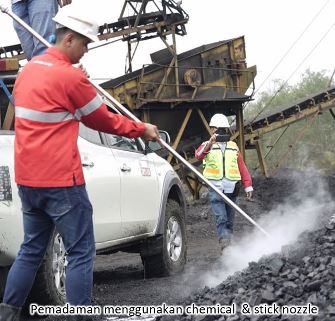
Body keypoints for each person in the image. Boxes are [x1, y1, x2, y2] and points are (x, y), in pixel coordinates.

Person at [0, 7, 160, 321]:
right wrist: (142, 129)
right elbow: (103, 120)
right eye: (85, 43)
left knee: (31, 250)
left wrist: (75, 87)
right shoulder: (71, 77)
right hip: (62, 183)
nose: (86, 50)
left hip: (29, 183)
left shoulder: (27, 72)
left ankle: (8, 314)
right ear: (69, 38)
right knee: (80, 252)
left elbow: (45, 104)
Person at [195, 113, 253, 251]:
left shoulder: (233, 146)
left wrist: (248, 186)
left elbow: (242, 166)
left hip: (232, 188)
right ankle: (224, 242)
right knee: (221, 217)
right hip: (215, 188)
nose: (219, 132)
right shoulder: (206, 146)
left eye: (222, 129)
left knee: (230, 220)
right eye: (217, 129)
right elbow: (198, 155)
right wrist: (210, 143)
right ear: (212, 130)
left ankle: (228, 246)